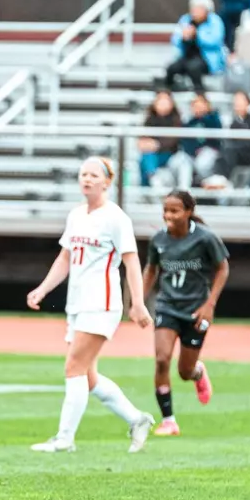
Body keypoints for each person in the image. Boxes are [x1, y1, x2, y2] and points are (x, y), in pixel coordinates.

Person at [26, 157, 154, 454]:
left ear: (107, 181)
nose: (87, 179)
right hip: (78, 303)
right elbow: (65, 258)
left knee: (73, 367)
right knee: (89, 375)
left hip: (102, 303)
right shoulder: (76, 215)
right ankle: (137, 419)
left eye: (93, 175)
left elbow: (131, 260)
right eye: (83, 174)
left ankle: (64, 439)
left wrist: (138, 303)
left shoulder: (116, 217)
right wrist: (42, 289)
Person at [142, 190, 230, 437]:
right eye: (166, 210)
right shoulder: (158, 240)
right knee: (161, 359)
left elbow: (223, 268)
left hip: (196, 312)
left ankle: (198, 373)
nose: (168, 215)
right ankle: (168, 421)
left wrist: (210, 304)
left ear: (189, 212)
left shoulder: (205, 239)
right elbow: (151, 270)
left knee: (184, 371)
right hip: (167, 306)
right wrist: (138, 302)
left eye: (174, 210)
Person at [206, 90, 250, 190]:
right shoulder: (235, 122)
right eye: (236, 101)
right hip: (238, 154)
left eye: (240, 101)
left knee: (230, 150)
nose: (237, 104)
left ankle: (222, 177)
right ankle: (219, 178)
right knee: (224, 151)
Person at [165, 0, 224, 93]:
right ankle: (168, 91)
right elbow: (175, 39)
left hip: (206, 58)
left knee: (193, 67)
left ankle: (199, 92)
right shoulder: (185, 20)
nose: (194, 11)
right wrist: (183, 37)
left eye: (198, 9)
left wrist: (197, 35)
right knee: (172, 68)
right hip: (186, 56)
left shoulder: (215, 21)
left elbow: (215, 40)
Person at [136, 90, 183, 187]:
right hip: (152, 154)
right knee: (145, 157)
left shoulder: (176, 119)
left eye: (165, 100)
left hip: (169, 154)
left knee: (147, 157)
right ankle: (152, 179)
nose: (162, 103)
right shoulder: (149, 118)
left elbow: (173, 140)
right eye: (160, 100)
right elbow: (143, 137)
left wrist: (156, 144)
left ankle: (151, 181)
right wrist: (143, 143)